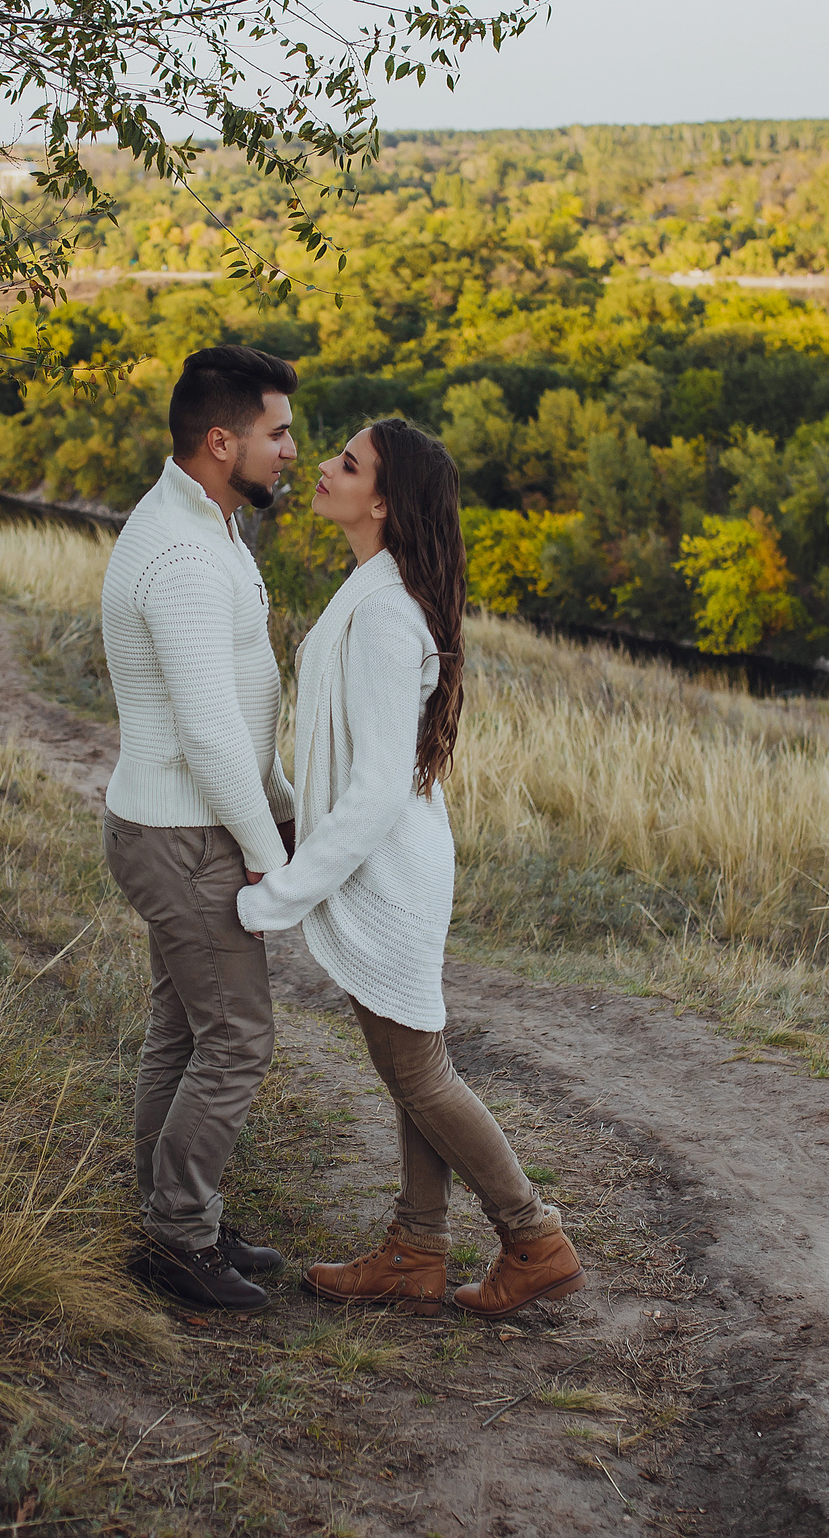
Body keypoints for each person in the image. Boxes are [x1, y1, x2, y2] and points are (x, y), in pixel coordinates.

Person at [238, 418, 587, 1320]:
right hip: (384, 866)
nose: (321, 466)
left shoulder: (390, 615)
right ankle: (418, 1247)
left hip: (389, 876)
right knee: (409, 1071)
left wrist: (281, 891)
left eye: (345, 465)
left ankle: (533, 1237)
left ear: (383, 502)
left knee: (419, 1071)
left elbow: (378, 789)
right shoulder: (374, 589)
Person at [99, 344, 303, 1310]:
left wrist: (285, 804)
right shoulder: (183, 553)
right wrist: (272, 860)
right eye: (278, 433)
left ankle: (175, 1213)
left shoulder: (209, 523)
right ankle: (178, 1238)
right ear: (222, 442)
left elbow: (242, 703)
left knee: (183, 1033)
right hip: (185, 835)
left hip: (186, 824)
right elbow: (211, 736)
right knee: (237, 1039)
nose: (292, 450)